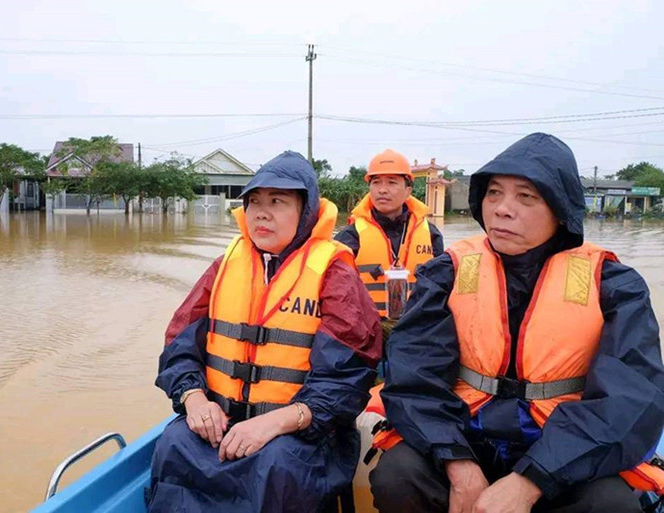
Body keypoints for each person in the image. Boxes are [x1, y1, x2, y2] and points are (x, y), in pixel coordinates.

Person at [369, 133, 664, 512]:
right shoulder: (447, 272)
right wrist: (458, 463)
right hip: (466, 435)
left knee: (610, 503)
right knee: (398, 473)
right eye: (494, 193)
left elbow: (629, 399)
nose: (503, 209)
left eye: (526, 196)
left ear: (560, 208)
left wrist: (531, 481)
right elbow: (414, 377)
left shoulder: (614, 284)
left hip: (560, 449)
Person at [147, 150, 382, 513]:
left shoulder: (334, 273)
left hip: (301, 429)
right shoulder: (225, 265)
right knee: (174, 443)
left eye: (277, 201)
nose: (261, 212)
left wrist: (274, 423)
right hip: (221, 419)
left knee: (278, 466)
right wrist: (195, 399)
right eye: (254, 201)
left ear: (306, 211)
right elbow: (179, 344)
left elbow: (346, 379)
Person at [336, 149, 443, 319]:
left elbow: (442, 290)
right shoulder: (350, 236)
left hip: (417, 329)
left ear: (408, 190)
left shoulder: (431, 234)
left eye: (392, 183)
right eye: (376, 182)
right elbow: (335, 293)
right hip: (367, 331)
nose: (382, 190)